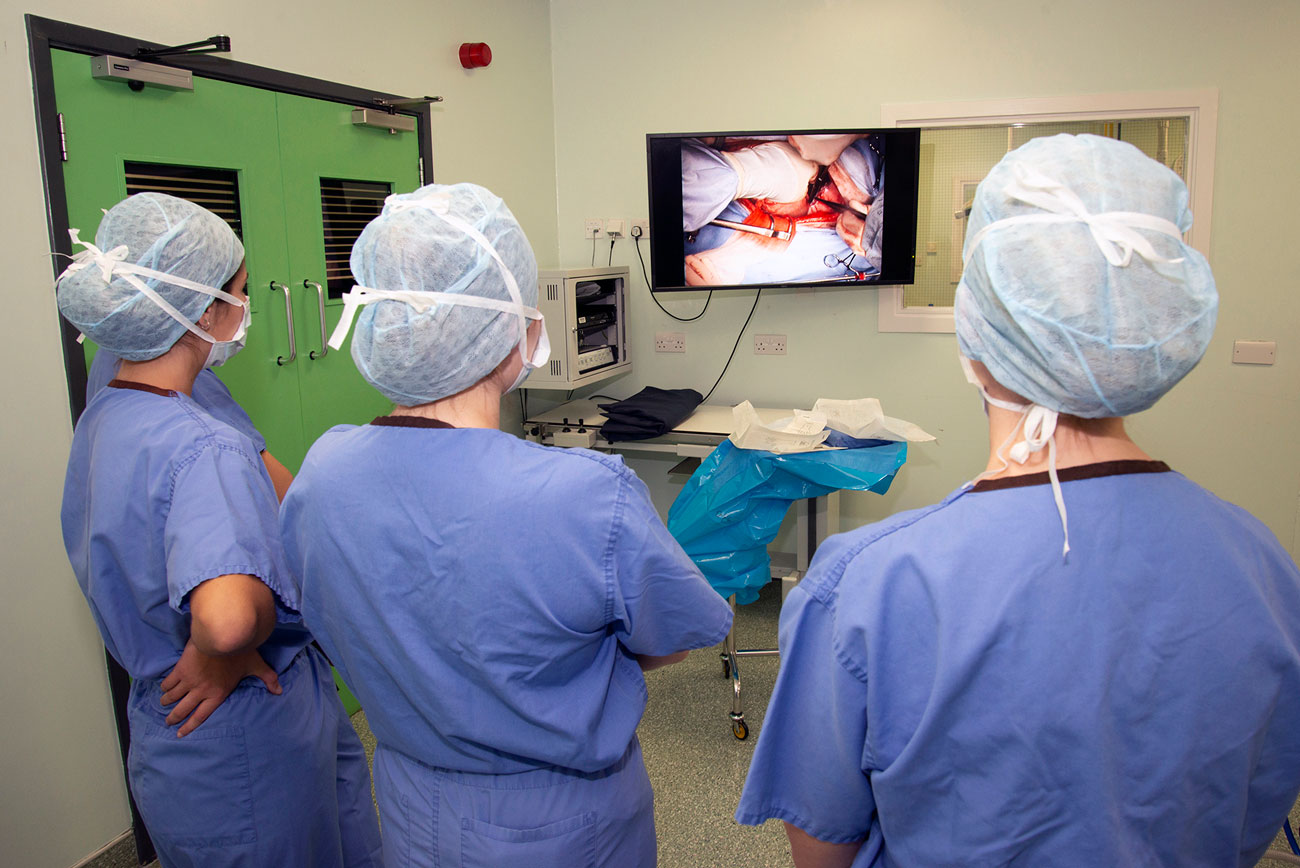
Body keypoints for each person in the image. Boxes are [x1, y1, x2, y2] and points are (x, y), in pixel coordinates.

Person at [735, 134, 1300, 867]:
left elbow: (823, 848)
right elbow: (1253, 801)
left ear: (974, 340)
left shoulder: (872, 582)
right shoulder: (1260, 565)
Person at [279, 182, 733, 868]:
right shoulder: (583, 495)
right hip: (557, 823)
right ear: (511, 333)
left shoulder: (324, 472)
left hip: (408, 802)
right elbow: (671, 640)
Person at [57, 192, 382, 867]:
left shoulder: (111, 406)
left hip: (173, 730)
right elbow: (229, 618)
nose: (245, 311)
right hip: (240, 727)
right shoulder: (203, 448)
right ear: (204, 311)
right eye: (239, 292)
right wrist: (224, 647)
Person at [84, 349, 294, 500]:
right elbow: (265, 476)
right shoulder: (207, 442)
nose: (244, 303)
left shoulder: (111, 373)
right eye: (240, 292)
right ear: (206, 314)